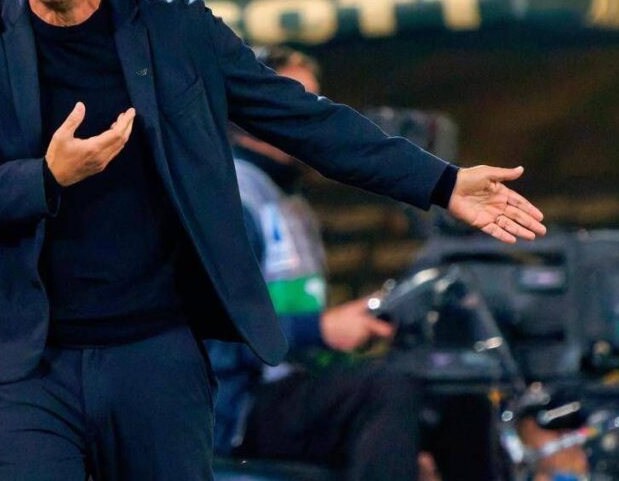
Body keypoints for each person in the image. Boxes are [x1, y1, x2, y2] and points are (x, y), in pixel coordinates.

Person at [0, 0, 547, 480]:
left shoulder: (179, 35)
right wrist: (45, 178)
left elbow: (305, 121)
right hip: (25, 368)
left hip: (154, 358)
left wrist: (441, 181)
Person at [210, 45, 503, 481]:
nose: (308, 113)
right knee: (388, 389)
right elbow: (213, 331)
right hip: (243, 405)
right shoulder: (229, 194)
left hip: (299, 384)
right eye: (293, 99)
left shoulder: (289, 200)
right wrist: (320, 331)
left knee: (452, 383)